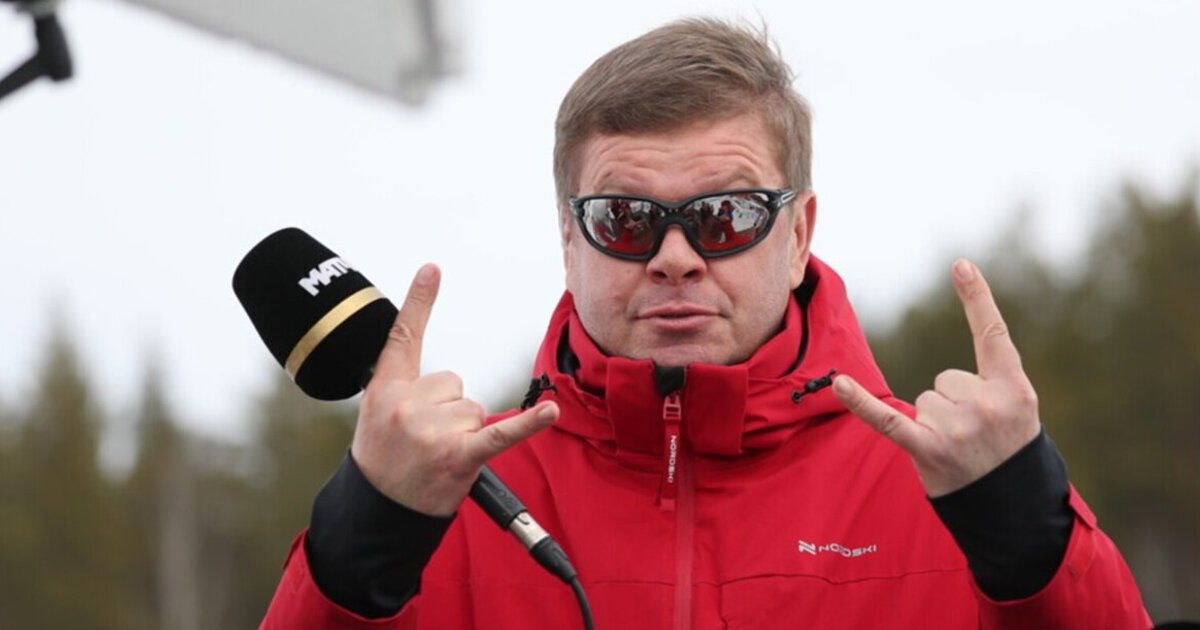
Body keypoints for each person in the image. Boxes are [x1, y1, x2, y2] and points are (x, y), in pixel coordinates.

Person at [261, 18, 1149, 629]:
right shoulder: (434, 501)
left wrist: (1028, 528)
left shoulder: (959, 489)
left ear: (798, 236)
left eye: (725, 216)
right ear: (568, 240)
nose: (676, 257)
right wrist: (361, 539)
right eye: (625, 219)